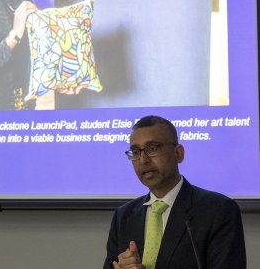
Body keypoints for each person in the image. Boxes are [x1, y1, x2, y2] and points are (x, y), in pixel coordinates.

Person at [105, 115, 246, 269]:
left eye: (152, 148)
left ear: (178, 153)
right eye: (136, 152)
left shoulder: (218, 211)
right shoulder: (124, 216)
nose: (143, 160)